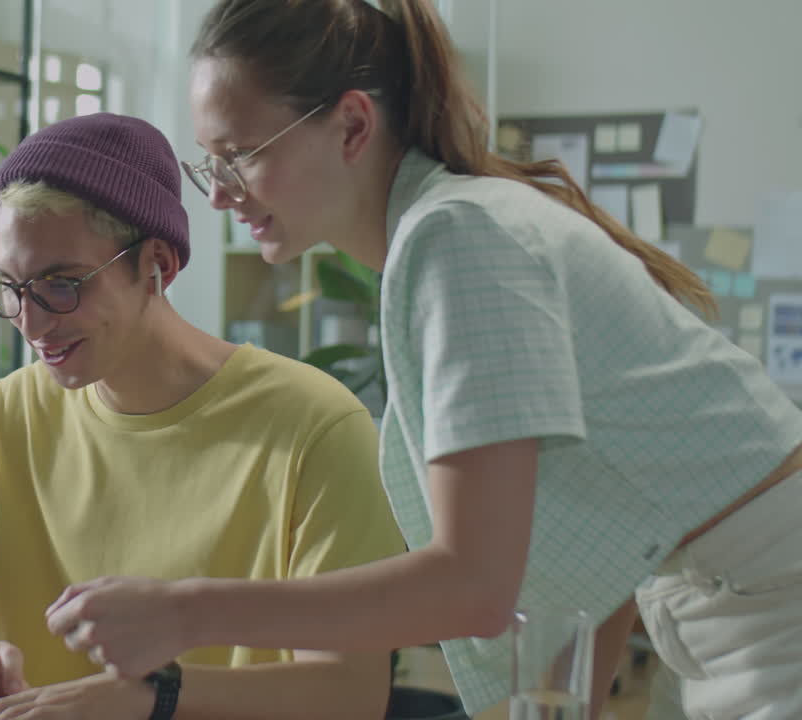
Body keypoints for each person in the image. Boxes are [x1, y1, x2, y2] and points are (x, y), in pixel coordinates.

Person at [44, 2, 802, 718]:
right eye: (211, 163)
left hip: (772, 605)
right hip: (715, 610)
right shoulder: (453, 233)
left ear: (351, 125)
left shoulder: (460, 243)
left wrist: (184, 612)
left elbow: (472, 585)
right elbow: (590, 549)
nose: (220, 195)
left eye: (241, 155)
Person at [0, 111, 405, 720]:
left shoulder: (315, 427)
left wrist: (152, 700)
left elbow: (350, 694)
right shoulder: (16, 411)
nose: (31, 324)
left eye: (61, 284)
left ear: (157, 265)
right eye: (10, 288)